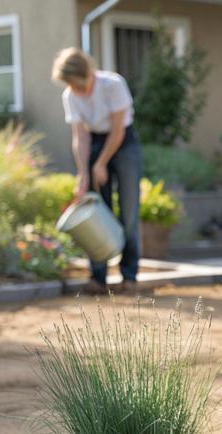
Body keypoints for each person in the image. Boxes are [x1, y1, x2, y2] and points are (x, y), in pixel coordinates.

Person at [52, 47, 142, 294]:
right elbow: (80, 136)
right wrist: (83, 173)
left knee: (129, 210)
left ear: (87, 72)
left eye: (78, 83)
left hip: (124, 144)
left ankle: (129, 275)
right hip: (94, 142)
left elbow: (118, 130)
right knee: (95, 209)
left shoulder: (113, 84)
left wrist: (101, 163)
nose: (76, 90)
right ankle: (98, 277)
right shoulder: (70, 95)